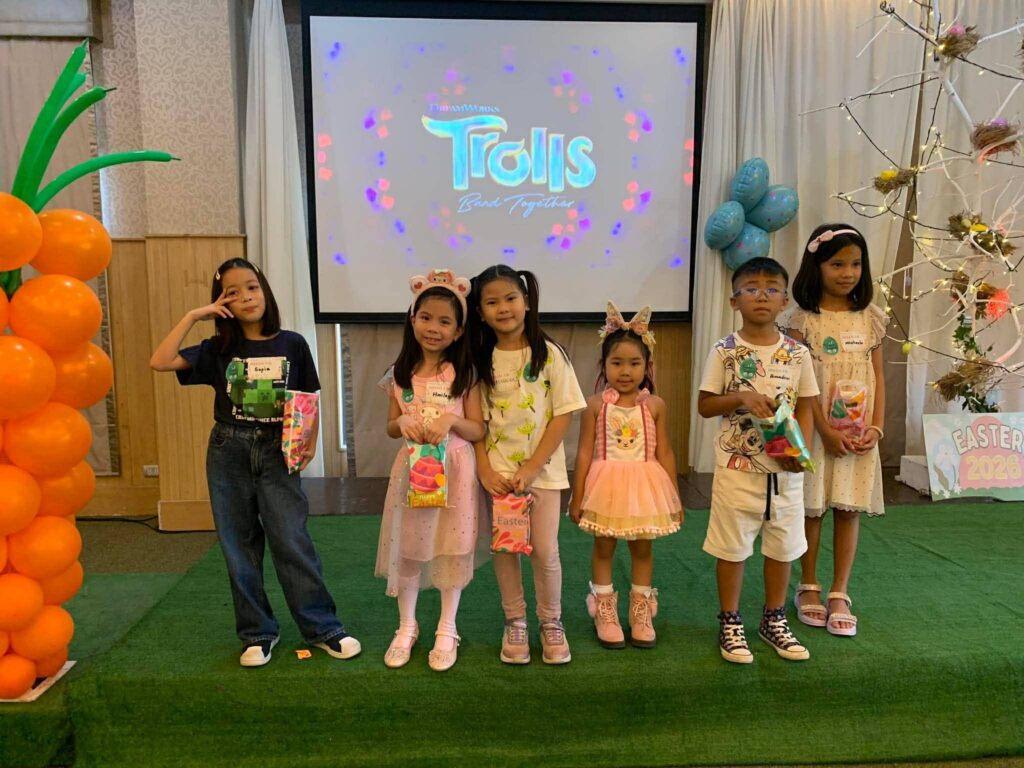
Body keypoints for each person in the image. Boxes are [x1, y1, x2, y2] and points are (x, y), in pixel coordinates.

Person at [150, 257, 360, 667]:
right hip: (228, 450)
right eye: (232, 292)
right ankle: (258, 632)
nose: (246, 297)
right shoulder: (217, 349)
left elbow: (309, 398)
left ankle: (322, 628)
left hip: (279, 450)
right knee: (238, 545)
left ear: (265, 290)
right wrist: (194, 317)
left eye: (252, 287)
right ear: (221, 303)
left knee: (291, 539)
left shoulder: (292, 343)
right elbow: (160, 361)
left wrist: (309, 442)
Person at [697, 256, 818, 664]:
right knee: (731, 548)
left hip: (786, 472)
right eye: (751, 289)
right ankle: (730, 621)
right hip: (738, 470)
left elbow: (807, 406)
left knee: (783, 547)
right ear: (734, 301)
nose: (761, 296)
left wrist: (801, 451)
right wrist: (741, 397)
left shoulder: (798, 353)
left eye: (771, 289)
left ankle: (773, 618)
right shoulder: (724, 351)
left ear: (784, 300)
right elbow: (705, 405)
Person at [469, 264, 586, 665]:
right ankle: (515, 621)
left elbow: (564, 413)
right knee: (506, 549)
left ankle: (551, 621)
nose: (503, 308)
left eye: (510, 298)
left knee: (545, 551)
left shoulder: (549, 354)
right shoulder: (480, 360)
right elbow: (477, 423)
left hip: (544, 475)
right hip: (500, 478)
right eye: (492, 302)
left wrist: (534, 466)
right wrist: (486, 471)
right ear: (480, 311)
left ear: (527, 302)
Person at [376, 269, 487, 672]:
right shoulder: (399, 374)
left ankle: (447, 627)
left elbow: (478, 429)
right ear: (412, 319)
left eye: (444, 321)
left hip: (455, 471)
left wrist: (452, 421)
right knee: (409, 546)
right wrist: (401, 423)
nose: (433, 328)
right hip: (413, 472)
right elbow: (391, 426)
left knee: (451, 546)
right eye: (426, 318)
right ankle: (406, 626)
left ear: (459, 331)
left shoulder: (465, 374)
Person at [780, 225, 887, 637]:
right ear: (817, 266)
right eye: (837, 264)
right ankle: (807, 584)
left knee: (848, 507)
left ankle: (840, 591)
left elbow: (879, 377)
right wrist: (823, 430)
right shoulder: (801, 320)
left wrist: (876, 428)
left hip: (858, 435)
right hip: (816, 432)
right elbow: (796, 385)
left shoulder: (871, 318)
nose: (848, 273)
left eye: (855, 264)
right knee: (812, 507)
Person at [569, 302, 683, 649]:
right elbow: (584, 452)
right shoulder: (595, 406)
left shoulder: (655, 405)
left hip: (645, 487)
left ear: (647, 366)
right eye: (616, 362)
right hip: (606, 487)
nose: (625, 371)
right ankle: (604, 608)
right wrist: (577, 496)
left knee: (642, 546)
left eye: (634, 363)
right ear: (603, 364)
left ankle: (640, 609)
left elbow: (664, 452)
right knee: (604, 545)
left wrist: (675, 498)